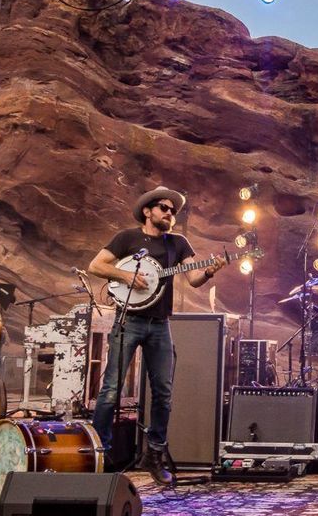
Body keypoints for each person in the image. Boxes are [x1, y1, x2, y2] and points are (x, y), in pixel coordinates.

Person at [87, 187, 224, 485]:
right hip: (129, 321)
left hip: (159, 324)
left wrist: (211, 270)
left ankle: (155, 454)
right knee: (111, 389)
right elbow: (96, 265)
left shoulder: (178, 244)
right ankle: (99, 453)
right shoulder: (127, 238)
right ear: (148, 211)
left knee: (163, 392)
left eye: (173, 210)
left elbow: (194, 278)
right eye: (164, 207)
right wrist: (126, 276)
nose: (169, 213)